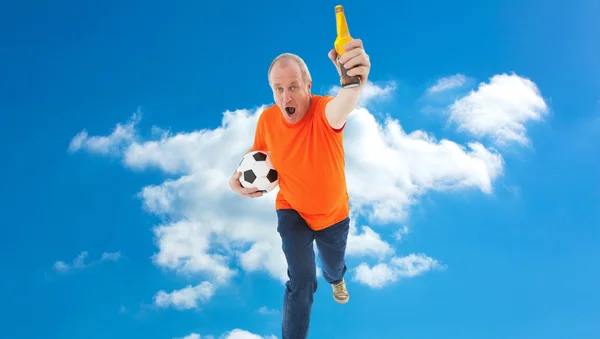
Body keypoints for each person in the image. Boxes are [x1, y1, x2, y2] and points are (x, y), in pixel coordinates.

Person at [229, 39, 371, 338]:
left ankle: (337, 278)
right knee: (302, 280)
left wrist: (352, 86)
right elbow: (258, 158)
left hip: (333, 215)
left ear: (308, 85)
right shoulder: (268, 118)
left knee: (332, 268)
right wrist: (237, 180)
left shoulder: (325, 111)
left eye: (293, 86)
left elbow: (343, 106)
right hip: (291, 208)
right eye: (278, 89)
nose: (285, 96)